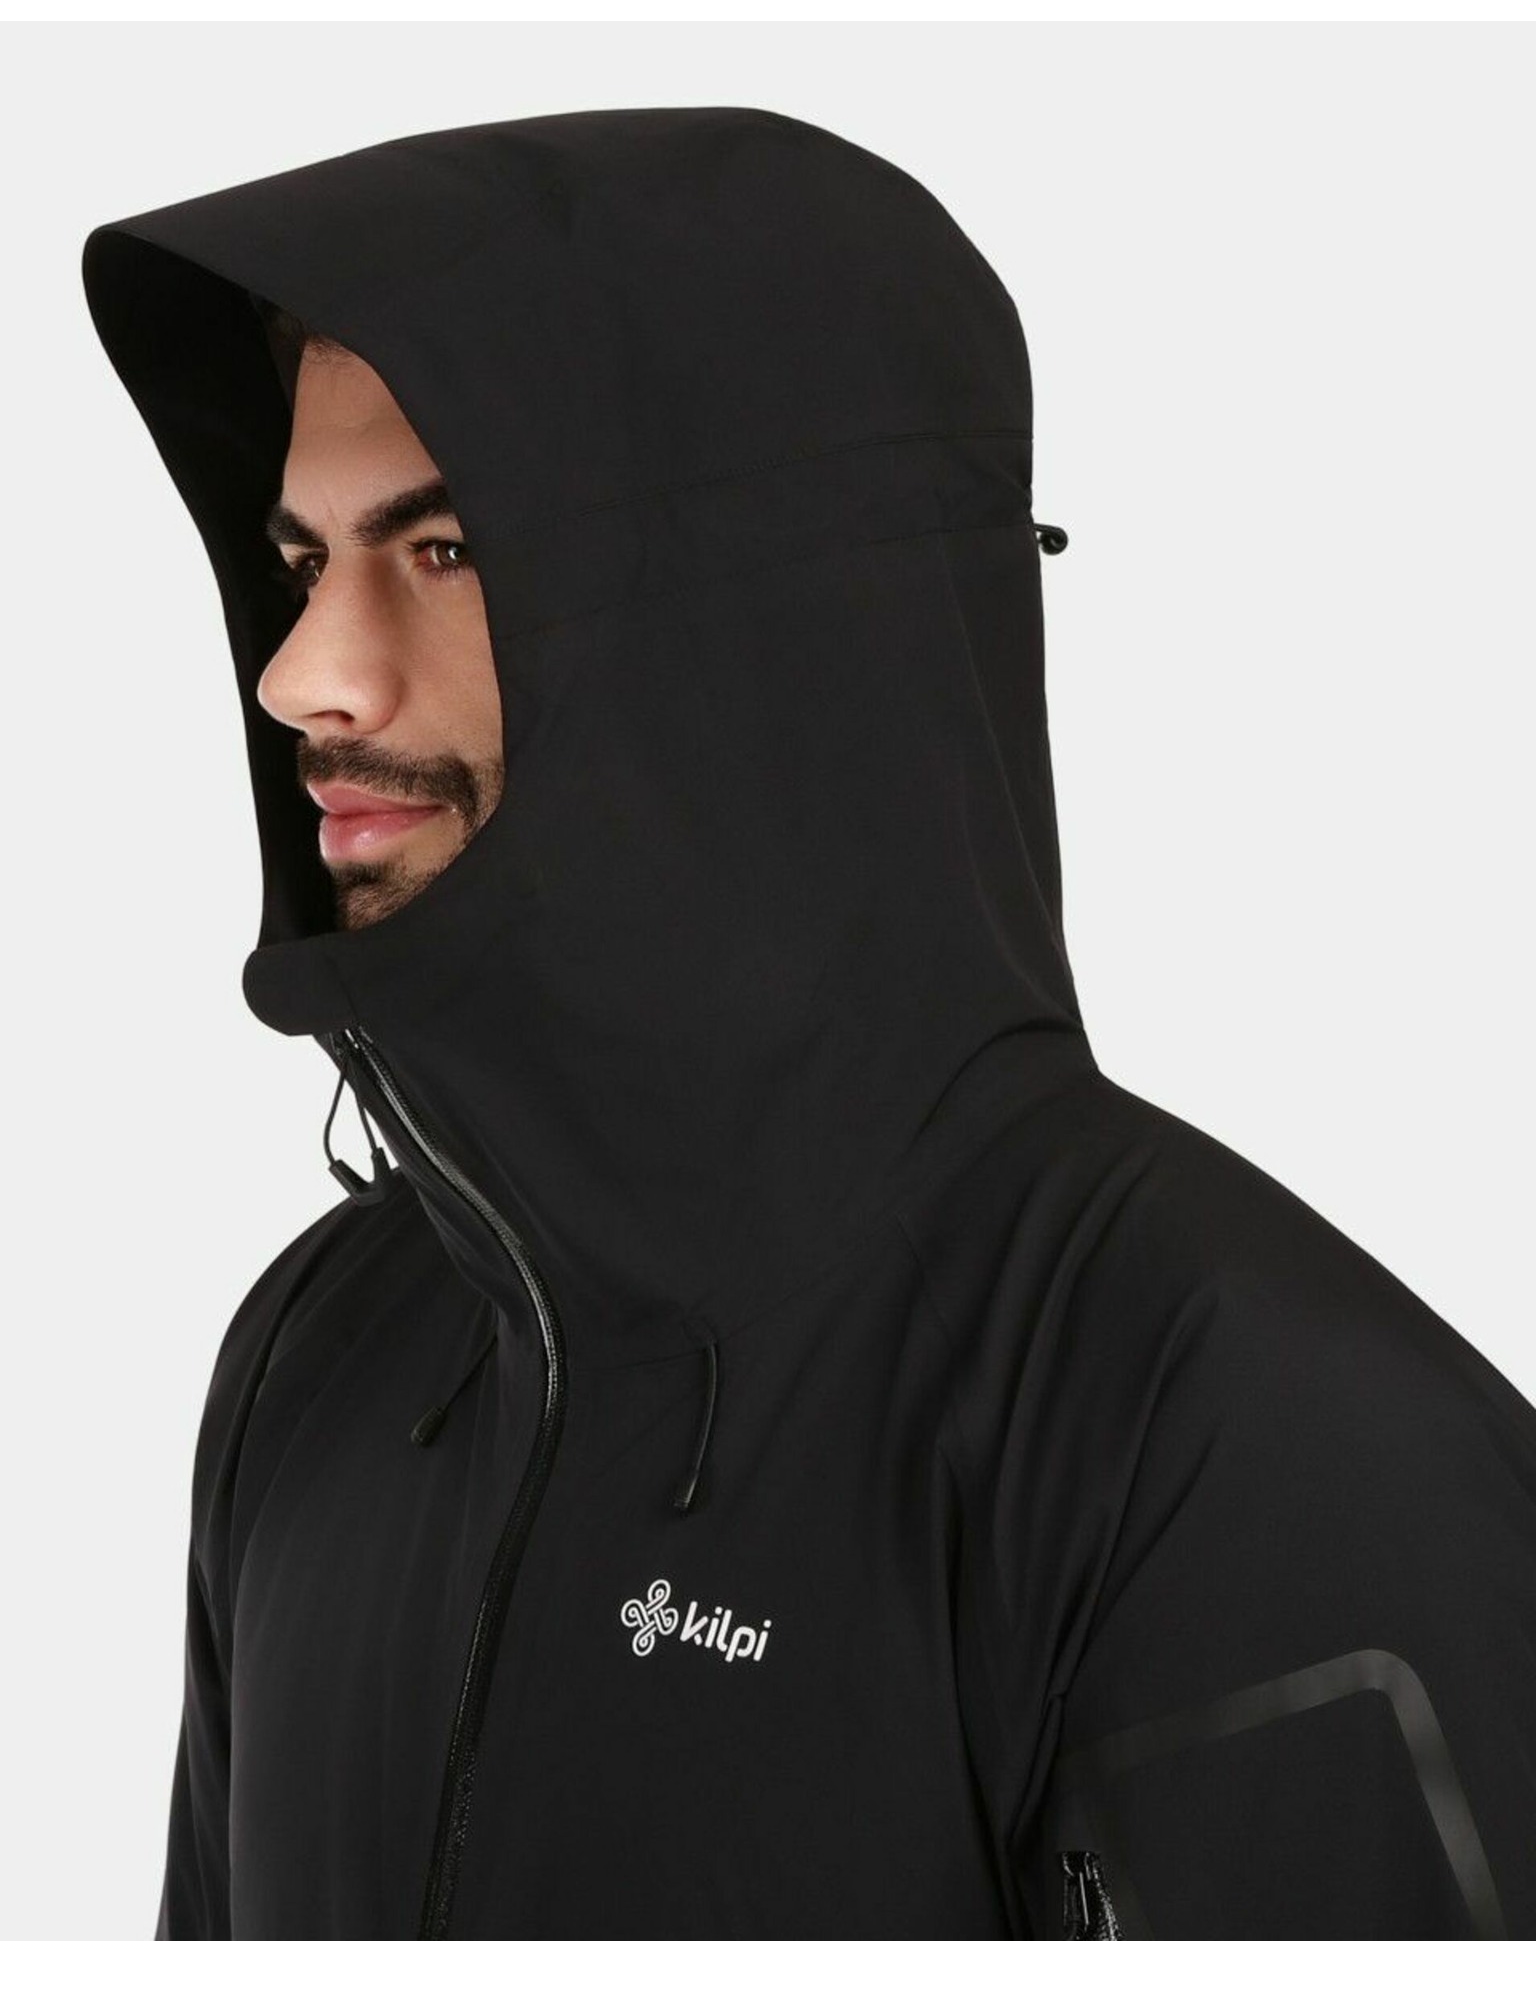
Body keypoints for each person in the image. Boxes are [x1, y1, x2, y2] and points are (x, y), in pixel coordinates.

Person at [83, 105, 1536, 1942]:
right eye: (303, 564)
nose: (305, 674)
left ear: (760, 619)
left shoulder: (1236, 1435)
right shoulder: (322, 1361)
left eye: (442, 551)